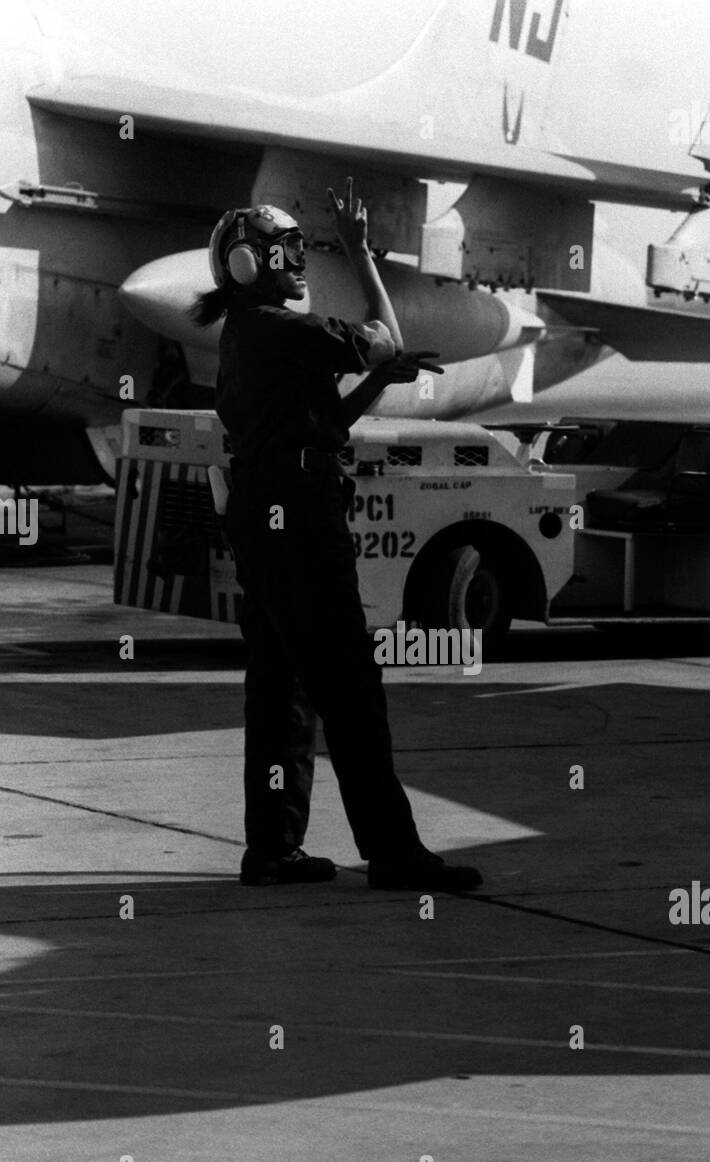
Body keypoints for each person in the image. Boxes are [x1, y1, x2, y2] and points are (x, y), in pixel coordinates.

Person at [192, 181, 483, 892]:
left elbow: (330, 422)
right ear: (245, 265)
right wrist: (359, 253)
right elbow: (386, 334)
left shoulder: (251, 336)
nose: (297, 259)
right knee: (350, 685)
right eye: (284, 250)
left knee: (281, 686)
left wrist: (381, 378)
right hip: (296, 519)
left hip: (266, 513)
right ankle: (392, 852)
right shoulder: (281, 329)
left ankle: (273, 849)